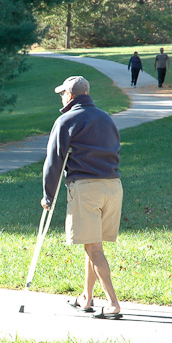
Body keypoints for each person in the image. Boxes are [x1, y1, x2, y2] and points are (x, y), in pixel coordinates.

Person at [42, 76, 123, 319]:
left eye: (62, 93)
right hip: (113, 186)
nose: (61, 97)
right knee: (93, 244)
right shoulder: (105, 117)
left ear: (71, 95)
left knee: (94, 248)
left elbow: (53, 161)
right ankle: (86, 298)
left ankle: (113, 304)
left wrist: (48, 195)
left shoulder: (66, 119)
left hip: (86, 188)